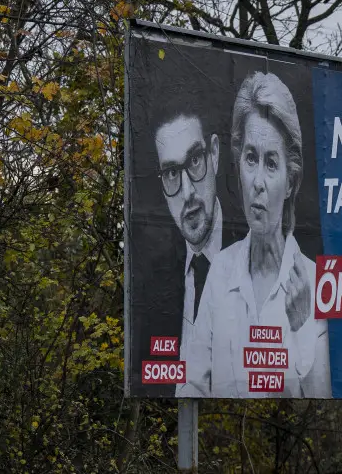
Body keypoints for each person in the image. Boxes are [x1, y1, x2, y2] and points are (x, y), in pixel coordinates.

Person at [181, 71, 332, 398]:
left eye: (271, 163)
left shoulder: (318, 282)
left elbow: (324, 403)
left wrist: (303, 323)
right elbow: (190, 385)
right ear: (238, 164)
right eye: (251, 158)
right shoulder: (220, 271)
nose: (258, 182)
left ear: (291, 182)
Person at [140, 93, 247, 395]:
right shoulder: (152, 284)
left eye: (195, 160)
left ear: (214, 154)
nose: (187, 192)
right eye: (172, 173)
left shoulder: (257, 254)